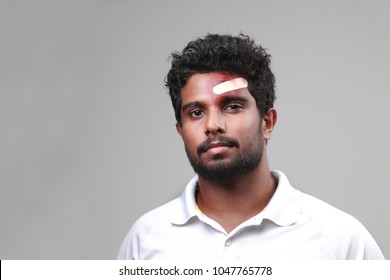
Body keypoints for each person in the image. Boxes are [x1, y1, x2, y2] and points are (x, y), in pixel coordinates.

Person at [118, 33, 384, 260]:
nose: (213, 125)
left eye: (232, 106)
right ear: (181, 131)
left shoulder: (340, 240)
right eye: (196, 112)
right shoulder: (145, 239)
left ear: (267, 122)